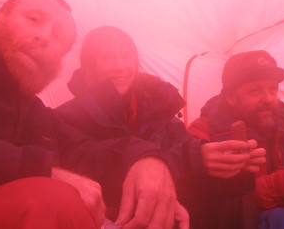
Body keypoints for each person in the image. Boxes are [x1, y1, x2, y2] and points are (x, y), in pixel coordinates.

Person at [0, 0, 199, 229]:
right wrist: (41, 168)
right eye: (33, 19)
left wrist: (148, 159)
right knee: (52, 199)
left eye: (58, 37)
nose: (44, 37)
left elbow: (85, 152)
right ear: (1, 15)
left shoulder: (36, 115)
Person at [55, 26, 266, 229]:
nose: (120, 66)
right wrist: (185, 160)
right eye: (107, 57)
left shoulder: (160, 113)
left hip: (178, 216)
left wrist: (229, 170)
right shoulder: (67, 119)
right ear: (89, 64)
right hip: (116, 220)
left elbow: (193, 179)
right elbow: (92, 169)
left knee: (237, 198)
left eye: (127, 56)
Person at [188, 50, 284, 229]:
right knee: (280, 218)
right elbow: (210, 203)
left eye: (273, 89)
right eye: (255, 91)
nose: (268, 99)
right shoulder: (204, 134)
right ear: (231, 98)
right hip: (241, 222)